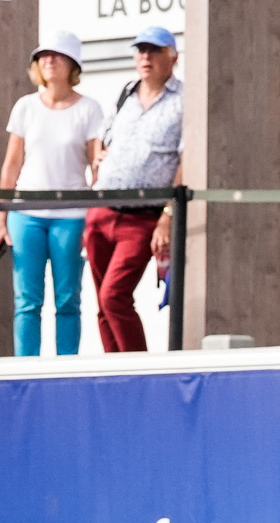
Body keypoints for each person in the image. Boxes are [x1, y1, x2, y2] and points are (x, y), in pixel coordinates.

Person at [0, 31, 105, 357]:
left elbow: (97, 168)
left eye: (57, 55)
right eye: (43, 56)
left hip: (72, 216)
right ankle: (25, 369)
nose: (48, 60)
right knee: (27, 301)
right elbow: (10, 166)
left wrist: (96, 215)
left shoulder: (90, 109)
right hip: (25, 214)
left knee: (68, 299)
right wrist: (1, 220)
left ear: (73, 64)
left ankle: (66, 366)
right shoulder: (25, 107)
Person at [86, 25, 184, 352]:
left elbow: (188, 160)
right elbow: (104, 132)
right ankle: (115, 376)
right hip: (102, 210)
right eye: (141, 50)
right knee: (102, 302)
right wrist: (99, 153)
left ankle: (139, 370)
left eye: (154, 51)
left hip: (142, 216)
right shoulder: (126, 92)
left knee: (114, 295)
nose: (145, 57)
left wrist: (167, 217)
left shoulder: (183, 100)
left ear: (173, 57)